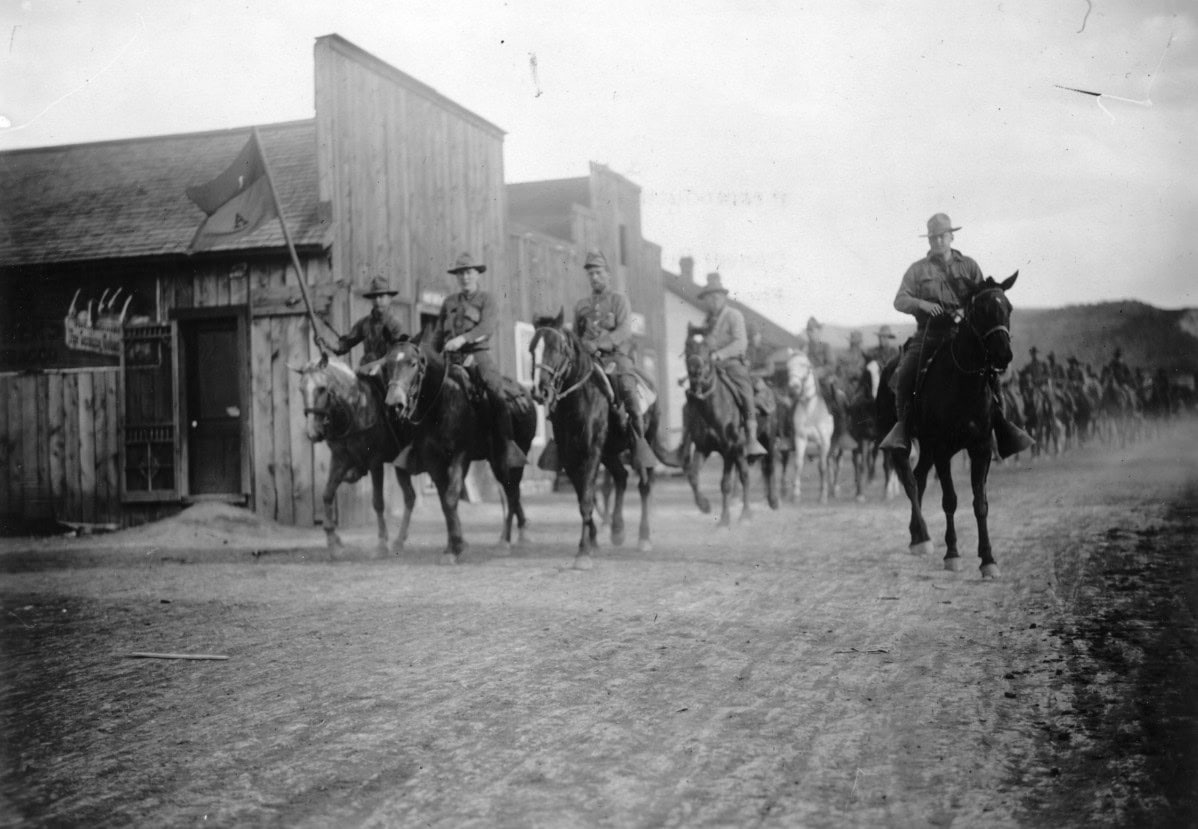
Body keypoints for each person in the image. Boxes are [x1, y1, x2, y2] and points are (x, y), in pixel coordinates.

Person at [878, 213, 1033, 457]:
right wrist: (922, 304)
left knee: (991, 373)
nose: (938, 241)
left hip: (963, 334)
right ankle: (903, 429)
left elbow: (983, 296)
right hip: (929, 334)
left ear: (951, 237)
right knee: (905, 373)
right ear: (929, 241)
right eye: (934, 238)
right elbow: (900, 300)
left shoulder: (969, 266)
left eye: (943, 236)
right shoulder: (917, 270)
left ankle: (1000, 426)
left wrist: (965, 310)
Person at [434, 252, 526, 470]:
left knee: (496, 392)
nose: (464, 277)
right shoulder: (449, 302)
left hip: (477, 355)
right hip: (449, 359)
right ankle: (416, 447)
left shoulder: (487, 299)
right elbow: (438, 333)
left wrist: (462, 339)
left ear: (477, 274)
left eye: (468, 272)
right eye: (460, 274)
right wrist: (430, 352)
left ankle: (507, 445)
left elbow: (487, 327)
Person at [573, 249, 652, 460]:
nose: (594, 278)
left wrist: (599, 343)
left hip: (616, 356)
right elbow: (575, 335)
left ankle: (639, 439)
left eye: (598, 273)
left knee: (627, 386)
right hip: (589, 359)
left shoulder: (619, 300)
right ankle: (559, 440)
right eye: (590, 274)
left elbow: (625, 330)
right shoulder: (582, 306)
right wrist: (583, 345)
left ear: (608, 274)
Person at [694, 273, 768, 457]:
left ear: (722, 297)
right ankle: (690, 435)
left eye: (715, 297)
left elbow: (740, 342)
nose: (712, 302)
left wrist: (720, 354)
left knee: (745, 389)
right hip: (710, 366)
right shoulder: (707, 321)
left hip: (732, 364)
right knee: (693, 390)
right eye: (708, 298)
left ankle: (751, 436)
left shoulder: (734, 315)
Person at [325, 275, 406, 367]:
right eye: (374, 297)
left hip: (388, 372)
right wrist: (329, 343)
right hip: (367, 370)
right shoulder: (364, 323)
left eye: (381, 296)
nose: (377, 300)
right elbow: (346, 343)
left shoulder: (395, 325)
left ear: (389, 299)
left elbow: (400, 353)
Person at [806, 316, 856, 450]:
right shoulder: (804, 349)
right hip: (807, 383)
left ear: (818, 332)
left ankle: (843, 433)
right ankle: (789, 432)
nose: (811, 333)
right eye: (809, 331)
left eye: (813, 330)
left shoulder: (826, 347)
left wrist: (817, 372)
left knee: (838, 400)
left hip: (825, 382)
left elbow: (831, 366)